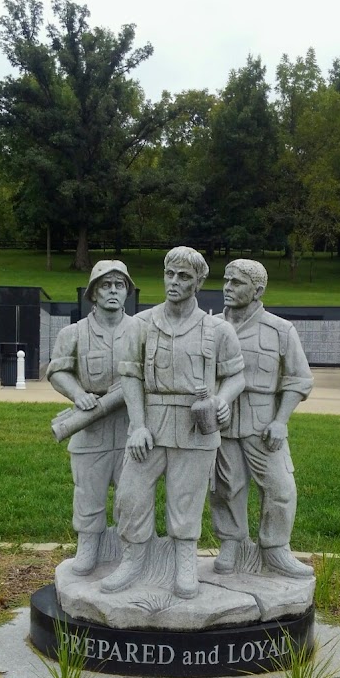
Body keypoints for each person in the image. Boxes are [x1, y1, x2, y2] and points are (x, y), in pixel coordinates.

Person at [101, 246, 245, 599]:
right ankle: (133, 560)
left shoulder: (217, 329)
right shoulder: (142, 324)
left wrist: (222, 401)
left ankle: (185, 563)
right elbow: (131, 377)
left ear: (198, 282)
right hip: (151, 422)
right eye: (170, 274)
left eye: (183, 277)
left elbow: (236, 376)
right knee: (131, 495)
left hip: (196, 426)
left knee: (187, 500)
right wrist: (137, 425)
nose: (174, 282)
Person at [209, 259, 314, 579]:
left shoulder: (280, 330)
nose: (227, 288)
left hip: (263, 420)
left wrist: (281, 420)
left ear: (258, 290)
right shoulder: (208, 326)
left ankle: (275, 548)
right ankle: (232, 542)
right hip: (222, 421)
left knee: (281, 487)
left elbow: (298, 379)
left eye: (237, 283)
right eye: (226, 281)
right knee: (226, 488)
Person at [46, 260, 135, 575]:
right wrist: (78, 394)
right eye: (105, 285)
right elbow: (57, 371)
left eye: (119, 285)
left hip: (130, 426)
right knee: (89, 493)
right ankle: (88, 550)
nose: (112, 291)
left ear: (127, 291)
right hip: (89, 426)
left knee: (132, 495)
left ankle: (131, 554)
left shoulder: (141, 331)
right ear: (93, 293)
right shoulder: (75, 333)